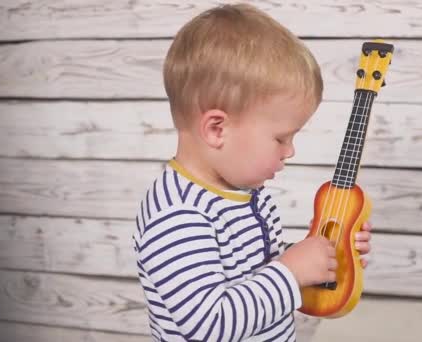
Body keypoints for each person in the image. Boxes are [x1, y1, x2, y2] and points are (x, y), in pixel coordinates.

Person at [132, 3, 372, 341]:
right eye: (280, 138)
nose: (290, 151)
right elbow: (208, 325)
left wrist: (326, 258)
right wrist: (291, 272)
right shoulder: (178, 215)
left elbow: (257, 274)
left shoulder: (245, 193)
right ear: (217, 129)